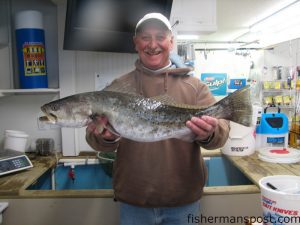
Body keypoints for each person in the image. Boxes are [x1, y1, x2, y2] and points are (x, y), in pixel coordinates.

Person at [86, 12, 230, 225]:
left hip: (183, 200)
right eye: (145, 37)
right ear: (136, 43)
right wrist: (106, 137)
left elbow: (221, 135)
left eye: (160, 36)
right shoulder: (118, 87)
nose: (153, 44)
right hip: (133, 202)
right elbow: (94, 138)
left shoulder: (195, 87)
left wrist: (210, 133)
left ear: (171, 42)